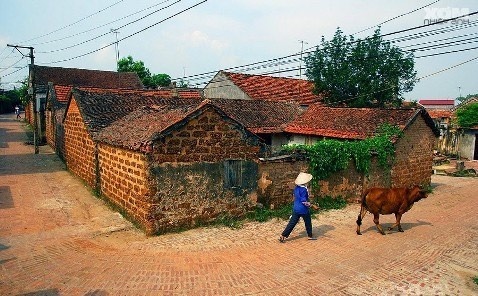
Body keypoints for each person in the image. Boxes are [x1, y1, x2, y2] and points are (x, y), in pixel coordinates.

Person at [279, 172, 318, 243]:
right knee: (308, 222)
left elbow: (296, 197)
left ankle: (283, 236)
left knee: (292, 223)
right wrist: (311, 205)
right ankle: (310, 236)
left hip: (296, 208)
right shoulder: (304, 190)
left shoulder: (296, 188)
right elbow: (304, 201)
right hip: (303, 209)